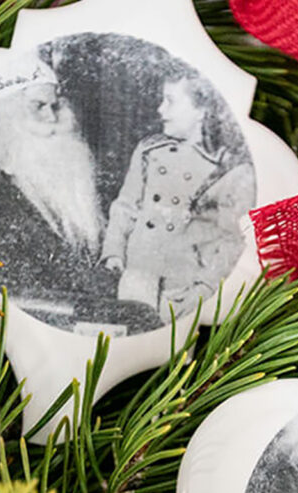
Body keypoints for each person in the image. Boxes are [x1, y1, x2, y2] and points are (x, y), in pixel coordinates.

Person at [99, 71, 254, 323]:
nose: (161, 110)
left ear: (201, 111)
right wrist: (114, 251)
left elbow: (231, 238)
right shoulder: (150, 151)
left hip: (183, 286)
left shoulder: (227, 169)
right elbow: (125, 206)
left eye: (170, 101)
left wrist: (206, 287)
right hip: (136, 274)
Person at [0, 57, 104, 308]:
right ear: (5, 117)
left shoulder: (47, 182)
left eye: (55, 106)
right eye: (39, 106)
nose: (52, 118)